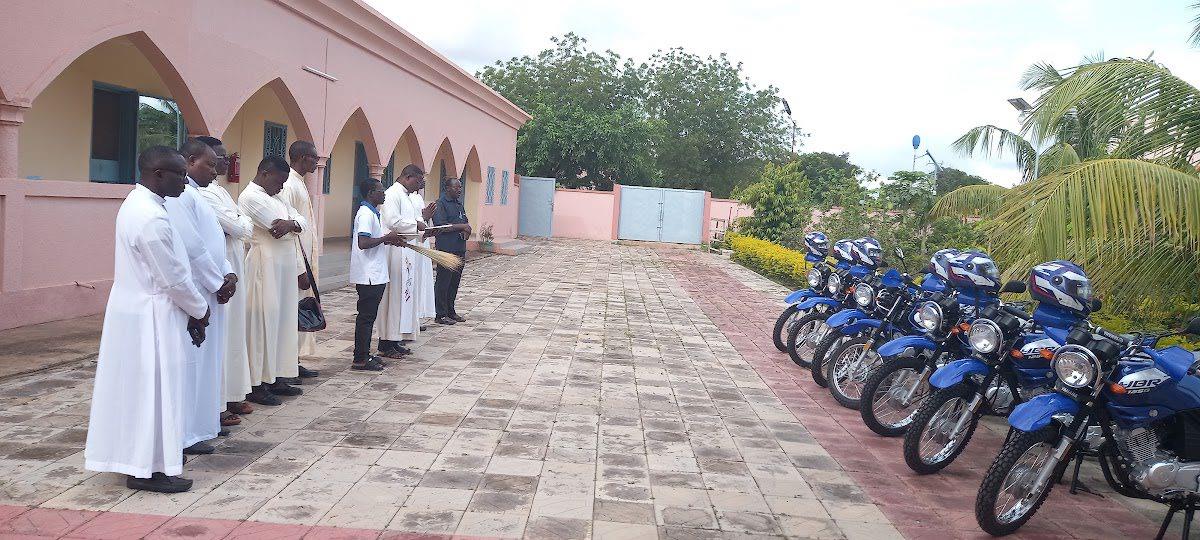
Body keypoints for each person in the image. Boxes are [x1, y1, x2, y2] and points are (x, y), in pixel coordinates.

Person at [85, 146, 209, 493]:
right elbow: (172, 278)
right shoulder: (150, 217)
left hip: (138, 309)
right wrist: (201, 309)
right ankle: (146, 469)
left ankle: (147, 461)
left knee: (142, 392)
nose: (185, 181)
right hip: (152, 314)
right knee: (154, 392)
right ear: (158, 174)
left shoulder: (139, 204)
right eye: (179, 174)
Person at [165, 139, 237, 455]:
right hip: (198, 288)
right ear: (191, 160)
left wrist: (226, 272)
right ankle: (187, 432)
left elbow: (212, 242)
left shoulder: (197, 193)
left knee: (207, 362)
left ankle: (199, 426)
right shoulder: (182, 195)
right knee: (193, 364)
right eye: (210, 164)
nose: (216, 169)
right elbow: (193, 247)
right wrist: (217, 279)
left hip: (211, 286)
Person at [194, 136, 254, 425]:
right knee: (219, 337)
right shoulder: (200, 193)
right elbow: (237, 225)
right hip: (215, 272)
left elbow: (243, 225)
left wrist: (238, 223)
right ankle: (216, 404)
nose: (221, 162)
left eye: (222, 157)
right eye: (215, 158)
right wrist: (238, 223)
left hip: (232, 263)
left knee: (232, 334)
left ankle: (231, 394)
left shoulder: (218, 189)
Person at [239, 157, 306, 405]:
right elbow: (273, 227)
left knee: (283, 321)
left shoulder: (278, 197)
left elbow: (301, 222)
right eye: (279, 181)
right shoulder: (250, 197)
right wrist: (292, 224)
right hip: (264, 264)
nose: (281, 187)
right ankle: (258, 383)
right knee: (263, 323)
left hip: (285, 266)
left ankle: (277, 376)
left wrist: (292, 224)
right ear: (265, 174)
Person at [351, 179, 406, 371]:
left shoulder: (374, 213)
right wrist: (386, 238)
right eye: (380, 191)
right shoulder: (365, 214)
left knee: (369, 316)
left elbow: (374, 240)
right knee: (366, 317)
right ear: (370, 193)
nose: (384, 194)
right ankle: (360, 359)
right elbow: (363, 243)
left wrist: (389, 241)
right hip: (368, 274)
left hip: (375, 273)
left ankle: (365, 353)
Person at [280, 141, 321, 379]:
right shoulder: (289, 184)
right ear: (303, 158)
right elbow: (290, 230)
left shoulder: (299, 182)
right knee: (293, 312)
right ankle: (287, 364)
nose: (317, 162)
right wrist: (299, 268)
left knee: (300, 311)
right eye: (314, 158)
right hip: (296, 262)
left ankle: (293, 361)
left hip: (305, 258)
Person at [376, 165, 426, 357]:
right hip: (394, 253)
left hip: (406, 252)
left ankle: (395, 339)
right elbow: (392, 222)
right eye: (418, 181)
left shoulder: (405, 195)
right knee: (392, 298)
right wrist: (417, 224)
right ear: (407, 177)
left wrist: (421, 227)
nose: (419, 185)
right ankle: (385, 343)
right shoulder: (392, 194)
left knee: (402, 298)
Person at [431, 177, 470, 325]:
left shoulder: (459, 204)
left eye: (460, 187)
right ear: (447, 188)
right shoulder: (440, 204)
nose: (459, 190)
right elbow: (441, 226)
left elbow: (465, 221)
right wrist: (462, 227)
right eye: (456, 187)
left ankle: (450, 311)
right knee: (443, 282)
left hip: (459, 248)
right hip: (447, 249)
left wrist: (466, 229)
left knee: (454, 282)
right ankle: (440, 314)